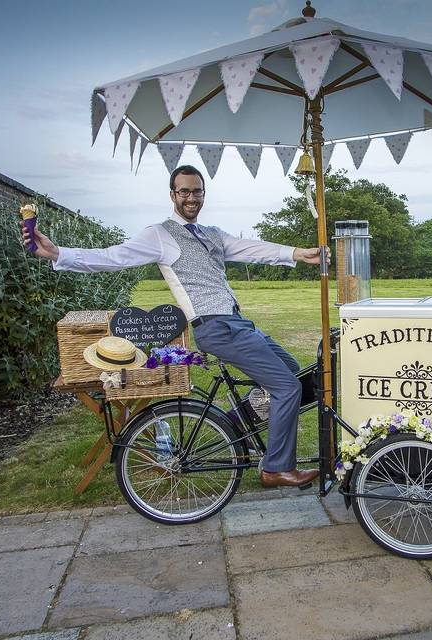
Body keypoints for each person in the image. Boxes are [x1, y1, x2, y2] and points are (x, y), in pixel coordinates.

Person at [22, 165, 323, 488]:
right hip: (216, 328)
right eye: (184, 192)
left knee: (294, 372)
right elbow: (114, 257)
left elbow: (251, 248)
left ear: (203, 194)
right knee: (287, 388)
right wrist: (58, 253)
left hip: (239, 323)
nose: (191, 198)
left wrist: (296, 253)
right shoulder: (160, 235)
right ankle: (276, 468)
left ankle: (235, 425)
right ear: (172, 195)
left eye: (197, 191)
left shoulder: (212, 233)